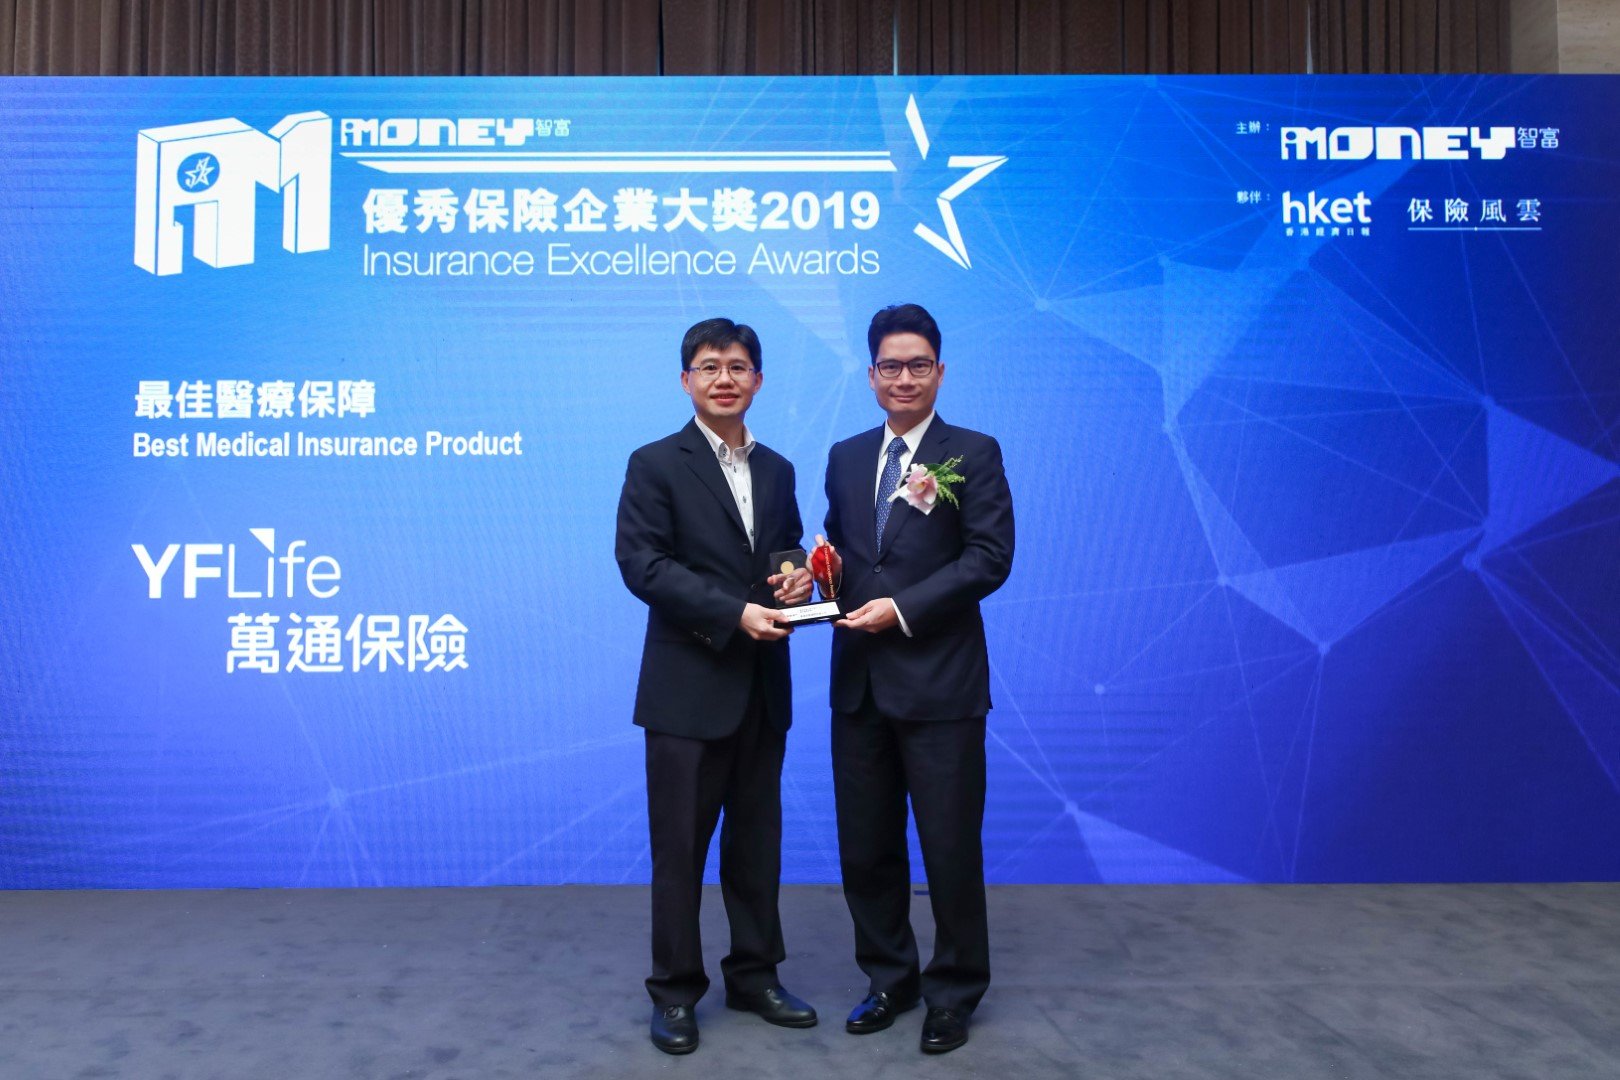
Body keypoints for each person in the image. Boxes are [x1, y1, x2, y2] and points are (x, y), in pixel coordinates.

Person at [615, 317, 818, 1055]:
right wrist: (734, 613)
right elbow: (644, 566)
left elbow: (785, 547)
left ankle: (755, 975)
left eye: (737, 366)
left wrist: (796, 578)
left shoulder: (779, 469)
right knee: (680, 849)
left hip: (762, 685)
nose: (724, 378)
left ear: (757, 380)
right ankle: (674, 993)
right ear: (686, 381)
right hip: (687, 687)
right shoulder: (654, 463)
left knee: (757, 844)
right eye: (709, 366)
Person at [815, 303, 1015, 1054]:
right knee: (866, 847)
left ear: (940, 371)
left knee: (949, 846)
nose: (904, 378)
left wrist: (901, 609)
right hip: (859, 684)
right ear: (871, 376)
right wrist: (814, 579)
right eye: (891, 366)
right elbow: (847, 555)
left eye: (918, 365)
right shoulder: (844, 456)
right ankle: (889, 979)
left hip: (941, 685)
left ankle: (953, 993)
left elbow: (989, 558)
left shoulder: (974, 452)